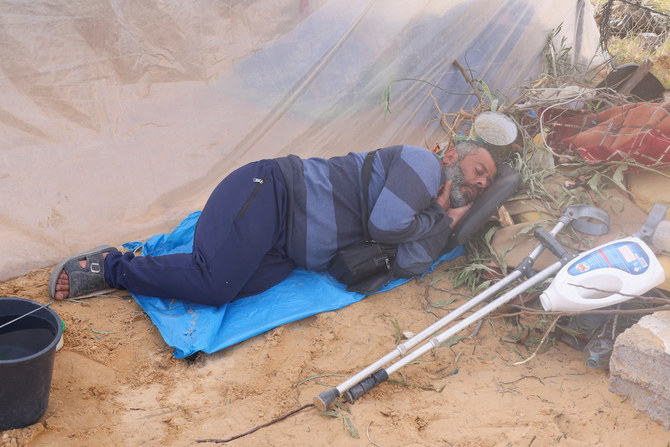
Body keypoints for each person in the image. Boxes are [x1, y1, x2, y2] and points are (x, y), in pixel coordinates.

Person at [49, 141, 497, 306]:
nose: (478, 184)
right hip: (272, 192)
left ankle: (163, 266)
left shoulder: (431, 214)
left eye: (486, 185)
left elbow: (412, 263)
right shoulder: (423, 164)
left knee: (228, 290)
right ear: (453, 154)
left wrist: (443, 222)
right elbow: (385, 226)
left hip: (280, 247)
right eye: (479, 170)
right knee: (215, 284)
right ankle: (110, 267)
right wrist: (437, 218)